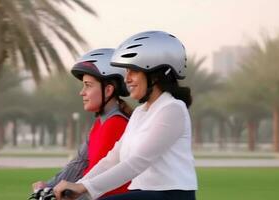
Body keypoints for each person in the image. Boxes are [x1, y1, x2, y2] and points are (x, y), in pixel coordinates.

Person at [53, 31, 198, 200]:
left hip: (170, 194)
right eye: (127, 71)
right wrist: (80, 187)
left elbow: (137, 162)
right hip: (142, 193)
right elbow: (113, 159)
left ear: (156, 74)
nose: (127, 79)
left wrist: (85, 187)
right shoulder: (140, 112)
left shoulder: (172, 109)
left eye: (133, 71)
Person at [32, 48, 132, 199]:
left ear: (108, 90)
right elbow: (78, 163)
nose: (82, 92)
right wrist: (49, 185)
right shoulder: (101, 123)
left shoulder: (116, 125)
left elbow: (98, 179)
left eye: (88, 85)